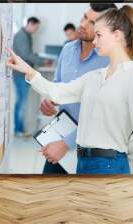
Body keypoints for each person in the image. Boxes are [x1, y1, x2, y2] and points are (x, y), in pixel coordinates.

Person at [7, 5, 133, 174]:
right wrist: (28, 70)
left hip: (109, 163)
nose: (94, 41)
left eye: (99, 35)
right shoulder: (96, 76)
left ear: (117, 36)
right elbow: (58, 91)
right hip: (83, 161)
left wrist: (121, 155)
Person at [40, 3, 116, 174]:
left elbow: (103, 116)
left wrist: (67, 143)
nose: (82, 24)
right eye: (84, 17)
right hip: (61, 139)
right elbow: (58, 86)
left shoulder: (110, 61)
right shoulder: (67, 50)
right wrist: (49, 101)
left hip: (93, 150)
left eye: (92, 22)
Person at [12, 17, 50, 137]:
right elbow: (25, 54)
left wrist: (39, 58)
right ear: (30, 23)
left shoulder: (26, 35)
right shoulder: (21, 36)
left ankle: (20, 129)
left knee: (22, 102)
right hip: (20, 74)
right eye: (36, 27)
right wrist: (42, 61)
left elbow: (28, 53)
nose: (36, 30)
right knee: (21, 103)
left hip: (23, 73)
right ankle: (18, 130)